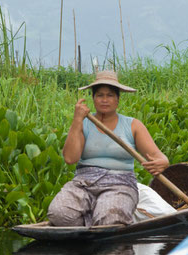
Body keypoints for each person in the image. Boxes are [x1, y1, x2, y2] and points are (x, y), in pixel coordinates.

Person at [47, 70, 169, 227]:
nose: (105, 100)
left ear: (118, 100)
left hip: (120, 184)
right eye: (100, 95)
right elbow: (70, 159)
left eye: (110, 95)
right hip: (84, 182)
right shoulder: (83, 124)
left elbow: (158, 156)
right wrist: (77, 119)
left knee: (109, 219)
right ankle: (92, 218)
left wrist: (163, 162)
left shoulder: (133, 125)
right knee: (59, 215)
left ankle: (102, 216)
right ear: (93, 99)